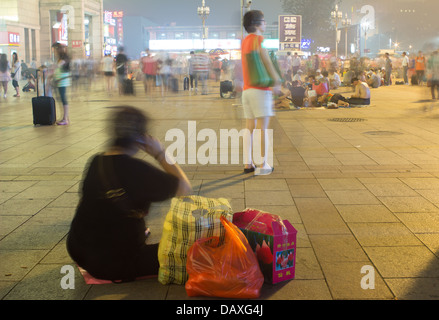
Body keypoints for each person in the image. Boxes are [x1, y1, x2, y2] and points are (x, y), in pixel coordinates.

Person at [66, 106, 192, 282]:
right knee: (188, 251)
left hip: (78, 249)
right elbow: (184, 187)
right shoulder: (138, 171)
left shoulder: (97, 161)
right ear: (141, 138)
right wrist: (160, 154)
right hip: (113, 262)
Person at [241, 10, 281, 175]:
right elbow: (267, 62)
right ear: (257, 23)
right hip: (260, 91)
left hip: (247, 91)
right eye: (264, 21)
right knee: (262, 128)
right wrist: (277, 81)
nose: (265, 24)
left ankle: (247, 163)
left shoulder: (245, 41)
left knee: (249, 127)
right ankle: (263, 164)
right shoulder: (259, 40)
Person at [52, 44, 71, 125]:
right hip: (59, 80)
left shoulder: (64, 59)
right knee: (61, 98)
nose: (55, 52)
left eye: (56, 50)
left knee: (63, 98)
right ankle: (65, 117)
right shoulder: (61, 58)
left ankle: (65, 119)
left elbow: (58, 66)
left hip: (62, 80)